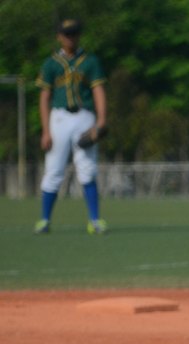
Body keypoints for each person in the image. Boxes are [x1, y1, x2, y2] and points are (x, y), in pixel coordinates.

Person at [35, 18, 108, 234]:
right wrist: (46, 130)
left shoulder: (90, 61)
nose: (70, 38)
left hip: (84, 116)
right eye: (66, 34)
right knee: (54, 169)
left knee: (87, 169)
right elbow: (44, 97)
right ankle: (45, 220)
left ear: (79, 35)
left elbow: (98, 91)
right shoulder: (50, 64)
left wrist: (102, 121)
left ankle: (94, 220)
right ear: (59, 36)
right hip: (59, 118)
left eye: (74, 33)